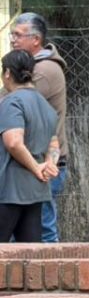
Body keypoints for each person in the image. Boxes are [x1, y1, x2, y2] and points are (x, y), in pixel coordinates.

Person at [8, 13, 67, 242]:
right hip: (32, 163)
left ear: (36, 39)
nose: (13, 39)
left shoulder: (43, 70)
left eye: (18, 35)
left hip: (44, 165)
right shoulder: (32, 67)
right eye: (13, 34)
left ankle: (49, 277)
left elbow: (12, 101)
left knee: (42, 233)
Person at [0, 50, 59, 242]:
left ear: (7, 73)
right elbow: (54, 142)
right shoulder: (44, 104)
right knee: (29, 255)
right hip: (35, 191)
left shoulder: (12, 102)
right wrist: (49, 164)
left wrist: (36, 168)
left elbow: (14, 142)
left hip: (8, 191)